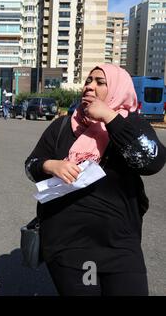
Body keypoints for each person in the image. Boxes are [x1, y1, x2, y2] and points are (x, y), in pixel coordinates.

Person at [25, 64, 166, 296]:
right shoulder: (63, 126)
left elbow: (151, 162)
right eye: (88, 81)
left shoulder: (130, 124)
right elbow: (31, 166)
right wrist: (51, 165)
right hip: (70, 246)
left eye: (100, 82)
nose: (89, 86)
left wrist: (110, 117)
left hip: (121, 247)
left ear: (117, 89)